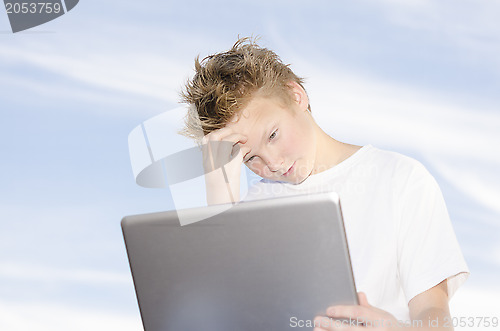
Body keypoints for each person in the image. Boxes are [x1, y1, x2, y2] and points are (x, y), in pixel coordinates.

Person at [179, 37, 469, 330]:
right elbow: (226, 317)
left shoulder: (400, 178)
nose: (273, 164)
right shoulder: (251, 209)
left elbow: (434, 313)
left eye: (273, 135)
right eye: (250, 158)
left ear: (296, 96)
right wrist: (219, 200)